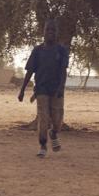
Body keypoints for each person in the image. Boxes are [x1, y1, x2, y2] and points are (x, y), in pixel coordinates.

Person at [18, 20, 69, 158]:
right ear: (44, 32)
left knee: (57, 120)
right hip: (41, 89)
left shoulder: (61, 50)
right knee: (43, 118)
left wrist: (61, 88)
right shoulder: (38, 51)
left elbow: (63, 71)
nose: (50, 33)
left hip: (57, 90)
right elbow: (29, 71)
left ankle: (53, 134)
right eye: (48, 30)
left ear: (56, 33)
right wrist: (22, 90)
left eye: (53, 30)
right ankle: (43, 145)